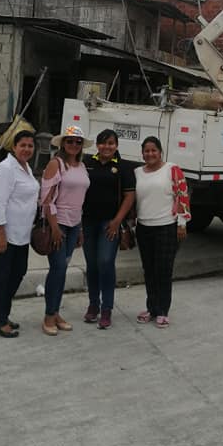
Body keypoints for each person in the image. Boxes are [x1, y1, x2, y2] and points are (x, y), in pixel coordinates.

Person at [0, 130, 39, 338]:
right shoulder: (6, 169)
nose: (26, 149)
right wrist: (1, 234)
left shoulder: (25, 167)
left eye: (30, 146)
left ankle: (3, 315)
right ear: (14, 147)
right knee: (1, 277)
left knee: (18, 272)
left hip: (21, 232)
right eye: (22, 145)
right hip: (4, 231)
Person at [134, 136, 191, 328]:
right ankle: (151, 308)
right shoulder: (137, 173)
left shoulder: (172, 169)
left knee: (163, 270)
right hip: (143, 228)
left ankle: (163, 311)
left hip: (166, 227)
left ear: (160, 152)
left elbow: (182, 195)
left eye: (153, 150)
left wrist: (182, 223)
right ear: (142, 153)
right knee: (149, 270)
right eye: (146, 151)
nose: (150, 154)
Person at [82, 128, 136, 330]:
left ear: (116, 145)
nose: (107, 147)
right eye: (103, 143)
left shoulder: (123, 167)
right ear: (97, 145)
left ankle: (107, 309)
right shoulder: (87, 163)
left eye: (111, 143)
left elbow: (129, 197)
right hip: (88, 222)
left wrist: (116, 221)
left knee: (105, 262)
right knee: (92, 264)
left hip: (110, 223)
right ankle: (93, 305)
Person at [40, 125, 91, 336]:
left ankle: (55, 312)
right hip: (58, 223)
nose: (74, 145)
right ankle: (49, 315)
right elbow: (46, 199)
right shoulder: (56, 164)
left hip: (74, 224)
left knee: (63, 269)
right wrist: (54, 227)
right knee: (58, 268)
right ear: (63, 143)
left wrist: (80, 228)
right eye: (69, 141)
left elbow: (81, 200)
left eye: (78, 142)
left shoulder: (82, 166)